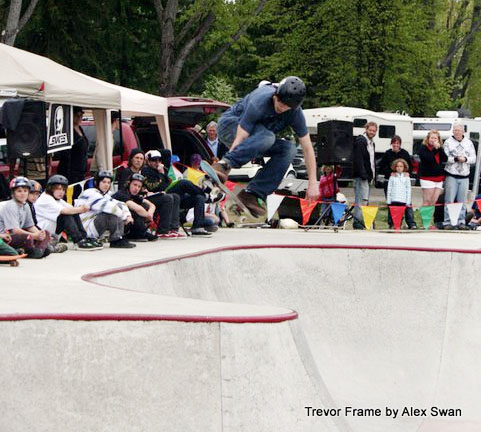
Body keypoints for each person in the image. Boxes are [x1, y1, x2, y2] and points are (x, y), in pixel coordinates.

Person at [213, 76, 318, 217]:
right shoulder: (260, 100)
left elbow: (307, 148)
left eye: (286, 107)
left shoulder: (295, 114)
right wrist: (225, 167)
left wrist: (312, 183)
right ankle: (224, 164)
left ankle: (252, 194)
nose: (281, 108)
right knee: (268, 137)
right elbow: (241, 135)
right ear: (275, 95)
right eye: (279, 102)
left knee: (289, 149)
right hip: (230, 126)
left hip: (257, 139)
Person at [142, 150, 212, 237]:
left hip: (172, 196)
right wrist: (161, 174)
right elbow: (157, 187)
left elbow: (167, 184)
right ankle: (207, 195)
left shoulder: (162, 170)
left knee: (199, 198)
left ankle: (197, 227)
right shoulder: (146, 171)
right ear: (148, 161)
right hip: (158, 195)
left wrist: (163, 174)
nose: (157, 163)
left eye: (159, 160)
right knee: (183, 183)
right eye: (154, 160)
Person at [34, 175, 101, 251]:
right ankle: (78, 240)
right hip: (42, 234)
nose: (61, 192)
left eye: (63, 189)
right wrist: (81, 209)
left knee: (73, 211)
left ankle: (83, 237)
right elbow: (64, 211)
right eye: (58, 189)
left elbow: (72, 209)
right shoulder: (46, 198)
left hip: (52, 234)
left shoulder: (57, 199)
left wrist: (81, 207)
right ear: (50, 188)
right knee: (66, 214)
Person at [75, 170, 136, 248]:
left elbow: (120, 204)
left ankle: (119, 237)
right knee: (110, 214)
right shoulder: (91, 193)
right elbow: (109, 207)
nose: (106, 185)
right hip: (84, 230)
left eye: (108, 182)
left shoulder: (105, 195)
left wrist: (128, 216)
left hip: (92, 228)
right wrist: (124, 217)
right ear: (96, 182)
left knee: (118, 209)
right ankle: (116, 240)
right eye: (103, 182)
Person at [0, 176, 50, 258]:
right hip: (6, 237)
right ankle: (36, 251)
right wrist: (34, 236)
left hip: (17, 236)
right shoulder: (10, 205)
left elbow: (30, 226)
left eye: (25, 191)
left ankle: (35, 251)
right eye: (19, 191)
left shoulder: (26, 205)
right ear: (13, 193)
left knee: (46, 233)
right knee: (28, 237)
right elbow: (15, 231)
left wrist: (39, 233)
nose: (23, 193)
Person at [443, 123, 476, 229]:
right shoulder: (448, 142)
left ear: (463, 131)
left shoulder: (469, 143)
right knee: (449, 200)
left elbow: (473, 158)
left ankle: (461, 221)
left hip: (464, 176)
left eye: (458, 130)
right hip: (451, 175)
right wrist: (456, 159)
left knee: (462, 200)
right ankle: (448, 222)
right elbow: (445, 157)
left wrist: (465, 159)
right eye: (455, 130)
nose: (456, 132)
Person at [379, 135, 417, 229]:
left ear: (400, 144)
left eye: (397, 143)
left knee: (407, 202)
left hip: (403, 181)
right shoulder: (387, 153)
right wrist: (390, 173)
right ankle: (392, 222)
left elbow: (410, 166)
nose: (396, 145)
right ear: (391, 144)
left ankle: (411, 222)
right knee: (391, 204)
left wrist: (408, 173)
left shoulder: (405, 153)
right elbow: (382, 167)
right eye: (394, 143)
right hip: (391, 181)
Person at [112, 173, 158, 241]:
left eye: (139, 187)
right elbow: (137, 209)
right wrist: (148, 216)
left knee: (145, 206)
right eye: (135, 185)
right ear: (129, 183)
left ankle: (140, 232)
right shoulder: (121, 194)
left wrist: (150, 214)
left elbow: (151, 205)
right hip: (115, 221)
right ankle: (136, 234)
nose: (136, 188)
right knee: (135, 212)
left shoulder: (134, 195)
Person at [27, 179, 68, 253]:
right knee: (45, 249)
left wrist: (43, 234)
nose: (34, 196)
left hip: (32, 231)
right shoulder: (23, 206)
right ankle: (50, 247)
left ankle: (48, 243)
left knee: (49, 234)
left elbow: (34, 224)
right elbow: (25, 227)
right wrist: (38, 234)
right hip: (23, 234)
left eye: (37, 194)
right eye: (32, 193)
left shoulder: (31, 205)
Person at [352, 122, 377, 229]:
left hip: (369, 176)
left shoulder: (372, 143)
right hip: (362, 176)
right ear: (366, 129)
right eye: (370, 130)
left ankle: (363, 221)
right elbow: (359, 159)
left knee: (365, 199)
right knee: (361, 199)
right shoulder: (361, 141)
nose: (372, 132)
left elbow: (371, 160)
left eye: (374, 131)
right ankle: (358, 222)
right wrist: (363, 175)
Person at [57, 106, 89, 185]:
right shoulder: (67, 130)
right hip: (70, 172)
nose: (79, 118)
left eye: (81, 115)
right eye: (77, 115)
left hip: (81, 171)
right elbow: (65, 153)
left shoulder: (80, 128)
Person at [418, 130, 447, 207]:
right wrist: (435, 149)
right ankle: (425, 219)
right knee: (427, 201)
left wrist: (440, 148)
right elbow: (429, 159)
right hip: (427, 178)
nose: (433, 140)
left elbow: (445, 159)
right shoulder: (423, 148)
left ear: (438, 140)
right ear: (428, 138)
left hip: (439, 178)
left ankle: (430, 217)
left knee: (434, 201)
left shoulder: (439, 148)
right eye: (432, 138)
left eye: (435, 138)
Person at [386, 159, 412, 229]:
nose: (399, 168)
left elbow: (408, 189)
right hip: (394, 199)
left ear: (404, 168)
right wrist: (388, 200)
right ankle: (392, 225)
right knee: (393, 214)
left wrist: (408, 201)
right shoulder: (392, 177)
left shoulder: (407, 177)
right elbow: (389, 189)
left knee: (400, 214)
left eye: (401, 166)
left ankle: (399, 225)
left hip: (402, 200)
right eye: (397, 166)